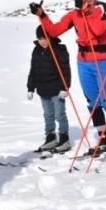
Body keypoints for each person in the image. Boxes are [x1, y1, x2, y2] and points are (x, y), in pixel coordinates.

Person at [30, 0, 106, 157]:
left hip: (101, 59)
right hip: (83, 61)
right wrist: (42, 15)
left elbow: (99, 30)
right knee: (93, 103)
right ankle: (103, 139)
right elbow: (54, 30)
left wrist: (87, 12)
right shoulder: (73, 14)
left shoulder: (102, 8)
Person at [27, 25, 72, 153]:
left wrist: (65, 87)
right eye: (40, 38)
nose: (43, 41)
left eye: (45, 38)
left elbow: (66, 71)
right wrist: (30, 87)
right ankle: (50, 137)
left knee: (59, 114)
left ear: (50, 36)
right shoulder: (37, 51)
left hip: (57, 90)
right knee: (48, 115)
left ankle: (64, 138)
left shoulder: (59, 50)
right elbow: (33, 70)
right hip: (43, 89)